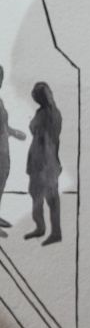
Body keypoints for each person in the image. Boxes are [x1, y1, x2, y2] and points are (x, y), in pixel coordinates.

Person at [24, 82, 62, 246]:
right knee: (41, 195)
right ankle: (43, 227)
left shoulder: (46, 115)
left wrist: (44, 165)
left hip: (43, 162)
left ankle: (52, 231)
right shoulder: (50, 113)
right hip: (45, 160)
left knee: (47, 197)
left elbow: (47, 140)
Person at [0, 65, 26, 237]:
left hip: (4, 151)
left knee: (1, 182)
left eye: (1, 78)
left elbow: (4, 126)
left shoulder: (0, 102)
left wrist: (14, 132)